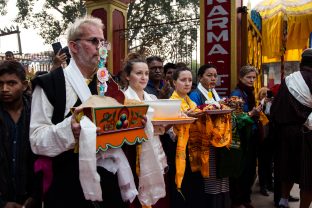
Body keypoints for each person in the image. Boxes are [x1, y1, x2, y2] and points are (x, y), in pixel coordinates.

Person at [29, 16, 126, 208]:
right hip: (67, 184)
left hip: (108, 179)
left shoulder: (107, 83)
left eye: (102, 41)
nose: (101, 47)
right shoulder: (50, 84)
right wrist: (69, 130)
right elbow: (36, 139)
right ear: (74, 46)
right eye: (93, 41)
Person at [122, 53, 168, 208]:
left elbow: (162, 126)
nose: (144, 77)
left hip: (154, 150)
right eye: (139, 73)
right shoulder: (122, 99)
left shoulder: (152, 99)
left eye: (146, 73)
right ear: (127, 76)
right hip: (132, 153)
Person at [270, 48, 312, 208]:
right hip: (307, 134)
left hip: (285, 133)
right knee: (308, 177)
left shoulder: (288, 80)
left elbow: (275, 109)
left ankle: (283, 200)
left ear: (302, 63)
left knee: (286, 169)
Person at [189, 64, 231, 208]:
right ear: (200, 77)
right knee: (211, 177)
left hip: (218, 139)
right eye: (209, 75)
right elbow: (196, 117)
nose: (213, 78)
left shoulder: (213, 93)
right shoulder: (195, 95)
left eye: (215, 75)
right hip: (206, 141)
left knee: (221, 176)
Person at [0, 61, 40, 208]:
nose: (4, 89)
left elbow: (44, 158)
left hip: (30, 198)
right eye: (1, 84)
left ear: (24, 85)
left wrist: (36, 195)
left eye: (11, 83)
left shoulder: (37, 113)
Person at [230, 65, 262, 208]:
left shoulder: (249, 91)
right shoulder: (237, 93)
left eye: (253, 77)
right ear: (241, 78)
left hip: (251, 135)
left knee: (249, 169)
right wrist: (252, 113)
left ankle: (245, 197)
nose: (251, 80)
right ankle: (239, 199)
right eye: (248, 77)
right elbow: (236, 118)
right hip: (241, 138)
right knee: (242, 170)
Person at [170, 66, 202, 208]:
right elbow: (170, 135)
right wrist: (184, 119)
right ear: (174, 83)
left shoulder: (192, 103)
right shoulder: (171, 103)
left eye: (190, 80)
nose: (187, 83)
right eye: (183, 80)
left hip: (194, 150)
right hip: (178, 151)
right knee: (181, 189)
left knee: (194, 190)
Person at [256, 87, 273, 197]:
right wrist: (263, 102)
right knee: (262, 163)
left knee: (269, 162)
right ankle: (263, 186)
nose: (265, 96)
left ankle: (269, 184)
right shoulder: (259, 105)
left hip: (270, 137)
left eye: (267, 94)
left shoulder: (272, 104)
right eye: (263, 94)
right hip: (261, 138)